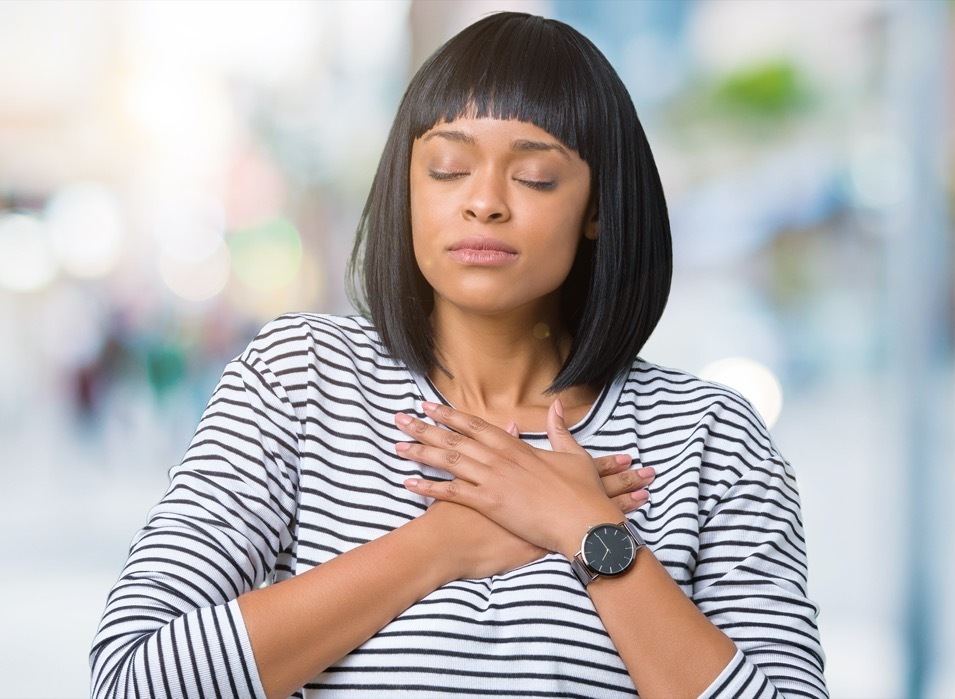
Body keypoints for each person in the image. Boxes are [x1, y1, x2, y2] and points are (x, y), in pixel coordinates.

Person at [90, 12, 827, 699]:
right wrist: (446, 542)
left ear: (599, 206)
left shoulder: (710, 437)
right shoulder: (299, 380)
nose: (484, 202)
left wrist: (586, 529)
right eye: (447, 168)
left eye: (534, 175)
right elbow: (133, 679)